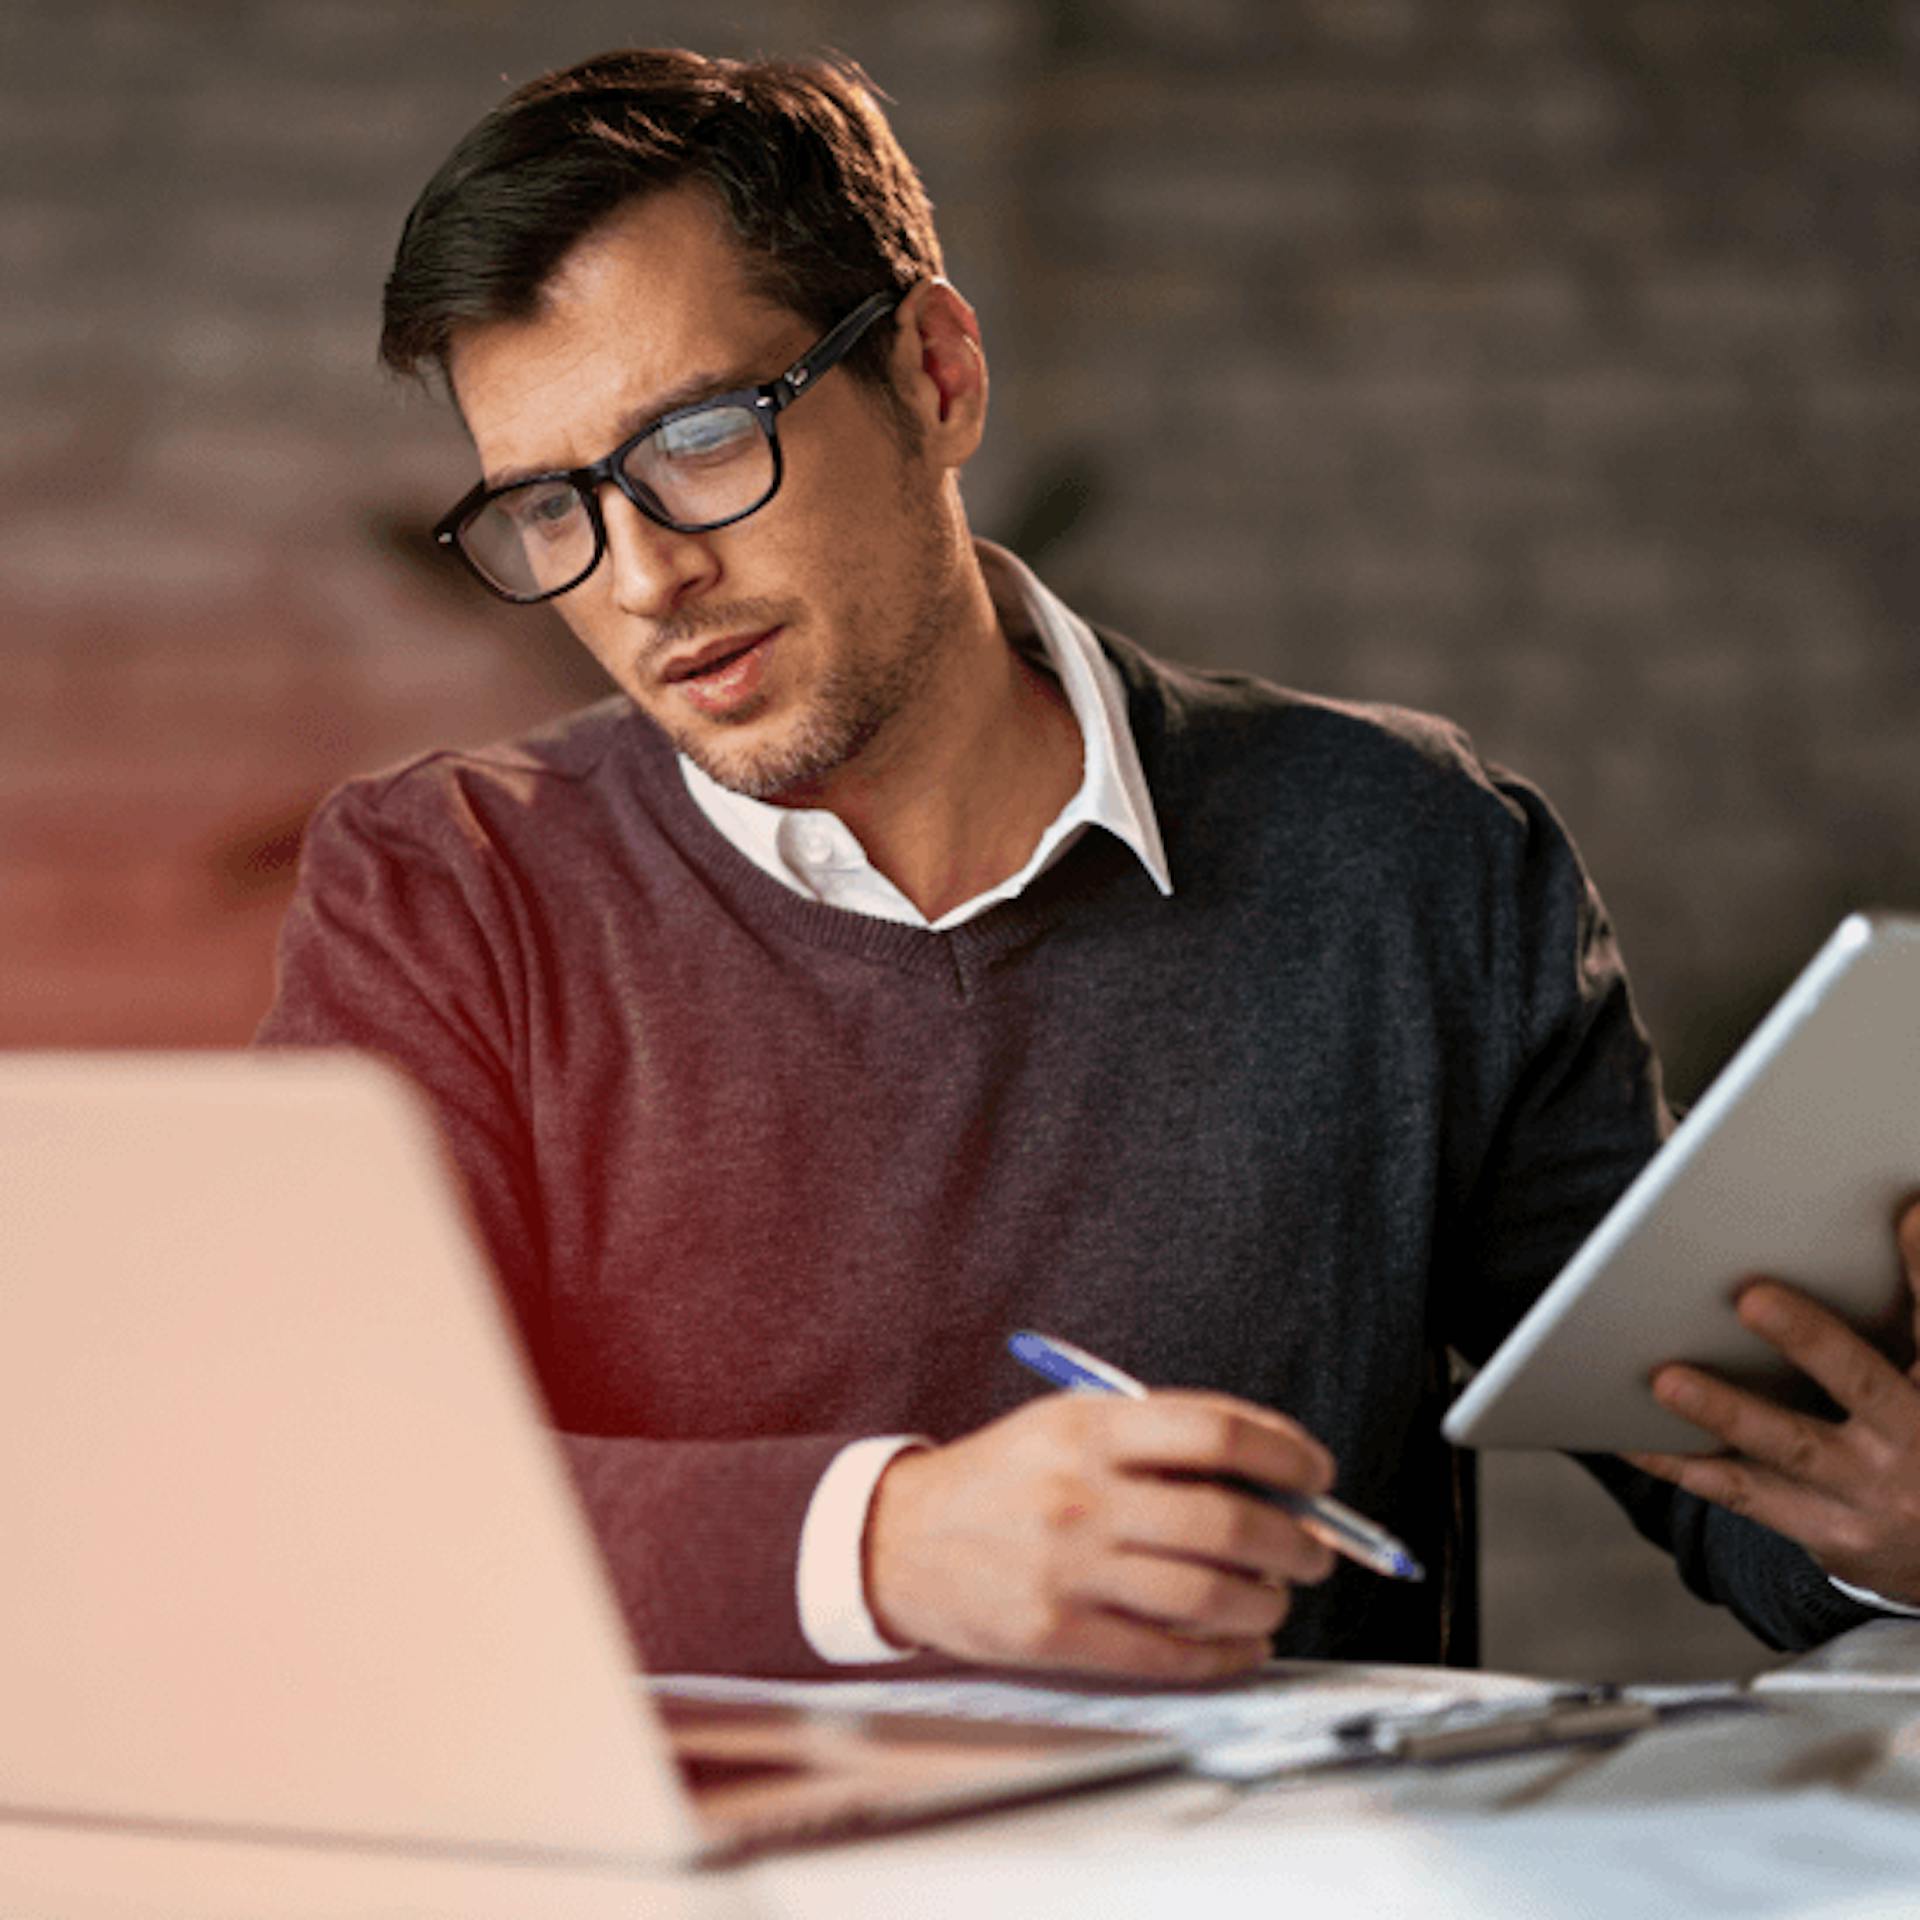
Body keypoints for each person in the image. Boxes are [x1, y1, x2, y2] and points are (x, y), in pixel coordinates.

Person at [258, 46, 1920, 1680]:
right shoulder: (443, 891)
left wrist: (1894, 1523)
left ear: (935, 375)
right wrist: (889, 1550)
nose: (640, 579)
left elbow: (1737, 1471)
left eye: (697, 439)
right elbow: (325, 1498)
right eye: (550, 508)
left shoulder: (1414, 855)